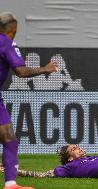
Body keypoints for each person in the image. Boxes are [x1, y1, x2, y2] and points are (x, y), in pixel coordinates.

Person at [0, 12, 58, 189]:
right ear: (14, 29)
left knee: (8, 138)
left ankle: (11, 184)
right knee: (9, 140)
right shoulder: (6, 43)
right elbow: (21, 71)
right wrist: (44, 69)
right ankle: (10, 184)